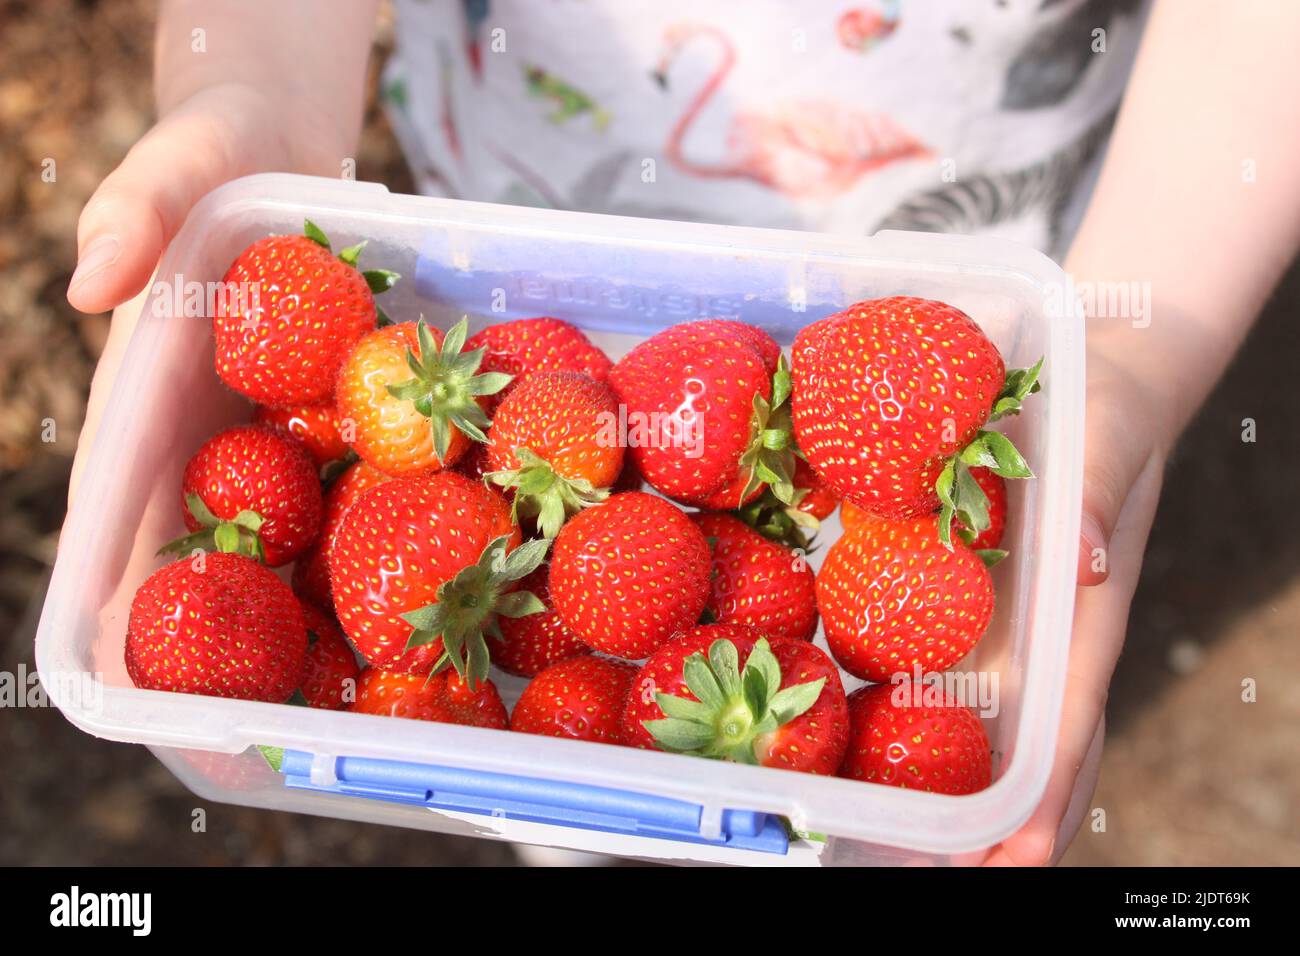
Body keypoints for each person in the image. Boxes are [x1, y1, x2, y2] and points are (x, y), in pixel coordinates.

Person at [65, 0, 1300, 865]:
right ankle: (572, 827)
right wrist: (258, 98)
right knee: (559, 776)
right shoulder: (522, 498)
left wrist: (1127, 348)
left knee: (588, 723)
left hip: (976, 237)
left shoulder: (893, 388)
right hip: (487, 223)